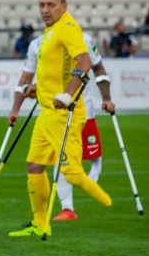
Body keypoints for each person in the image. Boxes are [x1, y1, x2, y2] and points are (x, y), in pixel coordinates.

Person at [6, 0, 112, 238]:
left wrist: (67, 94)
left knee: (72, 172)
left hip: (64, 115)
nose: (45, 10)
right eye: (41, 5)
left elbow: (84, 61)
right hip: (46, 114)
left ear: (63, 6)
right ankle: (40, 224)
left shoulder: (67, 28)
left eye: (51, 5)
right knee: (34, 165)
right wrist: (34, 91)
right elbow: (50, 72)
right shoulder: (49, 33)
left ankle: (106, 200)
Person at [19, 32, 116, 221]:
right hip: (56, 115)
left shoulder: (83, 39)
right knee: (60, 159)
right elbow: (42, 78)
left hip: (84, 111)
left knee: (93, 157)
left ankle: (93, 190)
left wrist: (107, 98)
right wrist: (32, 91)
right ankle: (67, 208)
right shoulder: (39, 44)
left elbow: (99, 69)